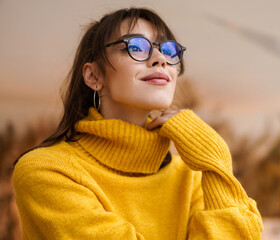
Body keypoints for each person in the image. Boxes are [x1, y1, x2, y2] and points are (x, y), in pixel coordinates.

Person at [13, 7, 263, 239]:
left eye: (168, 50)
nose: (160, 59)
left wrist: (215, 158)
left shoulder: (190, 178)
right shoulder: (45, 170)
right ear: (93, 75)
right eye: (136, 46)